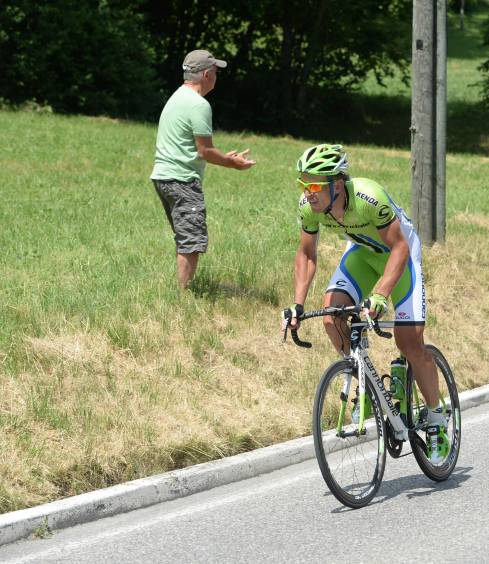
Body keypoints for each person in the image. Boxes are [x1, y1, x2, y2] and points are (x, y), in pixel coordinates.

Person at [282, 144, 447, 463]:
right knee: (332, 316)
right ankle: (364, 379)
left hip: (399, 256)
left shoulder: (370, 197)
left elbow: (398, 248)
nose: (308, 193)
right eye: (303, 184)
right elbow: (306, 254)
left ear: (337, 185)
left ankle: (437, 419)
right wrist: (297, 305)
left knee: (410, 343)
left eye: (314, 185)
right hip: (361, 255)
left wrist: (381, 295)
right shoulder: (308, 207)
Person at [150, 49, 256, 290]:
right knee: (192, 241)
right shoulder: (199, 104)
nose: (217, 76)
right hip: (182, 180)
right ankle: (183, 295)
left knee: (185, 237)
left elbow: (193, 147)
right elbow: (204, 151)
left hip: (163, 177)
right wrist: (233, 163)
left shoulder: (177, 96)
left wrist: (224, 157)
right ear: (207, 74)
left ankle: (182, 290)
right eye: (216, 72)